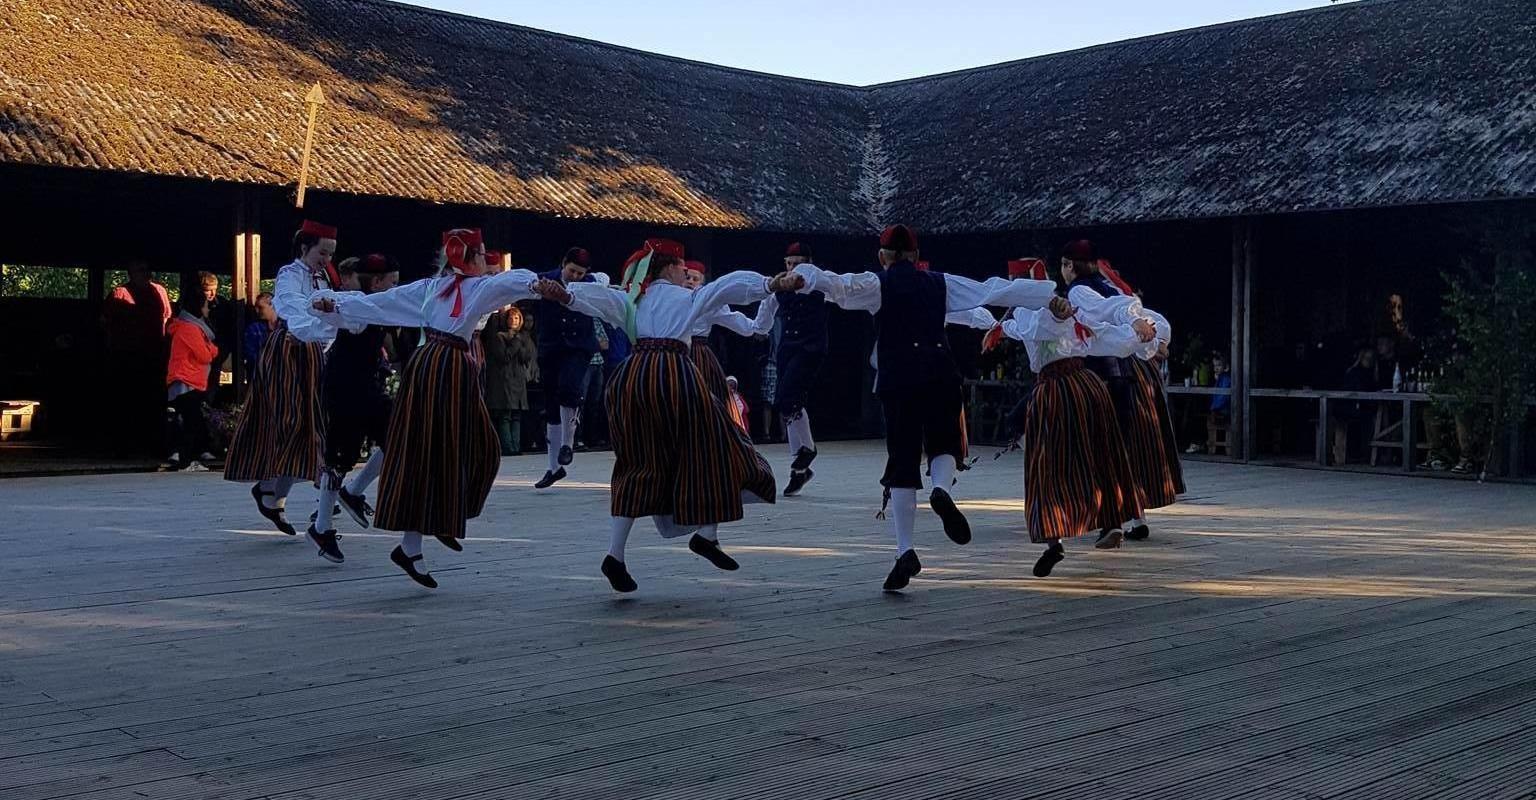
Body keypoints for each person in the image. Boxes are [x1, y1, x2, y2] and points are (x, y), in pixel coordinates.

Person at [789, 225, 1060, 591]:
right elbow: (991, 288)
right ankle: (942, 490)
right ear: (916, 256)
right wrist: (1048, 295)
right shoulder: (939, 282)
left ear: (882, 256)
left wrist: (801, 276)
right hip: (939, 372)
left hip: (898, 377)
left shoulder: (876, 283)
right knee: (944, 442)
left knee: (902, 461)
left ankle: (906, 551)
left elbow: (837, 286)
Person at [309, 228, 558, 588]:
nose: (486, 261)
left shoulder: (454, 287)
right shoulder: (443, 287)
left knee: (459, 450)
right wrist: (336, 304)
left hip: (444, 366)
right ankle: (419, 536)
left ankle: (430, 527)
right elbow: (384, 302)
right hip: (442, 367)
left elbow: (508, 283)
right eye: (482, 255)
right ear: (468, 258)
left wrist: (536, 285)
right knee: (445, 451)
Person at [552, 238, 799, 594]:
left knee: (636, 464)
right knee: (715, 449)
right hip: (673, 375)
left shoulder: (633, 299)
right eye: (683, 267)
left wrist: (568, 295)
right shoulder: (687, 297)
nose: (687, 272)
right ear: (670, 266)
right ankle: (707, 534)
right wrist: (769, 284)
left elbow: (599, 300)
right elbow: (726, 286)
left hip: (631, 378)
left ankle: (615, 554)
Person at [983, 256, 1152, 577]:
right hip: (1089, 387)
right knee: (1100, 453)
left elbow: (1026, 326)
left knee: (1048, 464)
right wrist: (1143, 335)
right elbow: (1104, 335)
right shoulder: (1073, 313)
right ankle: (1112, 522)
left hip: (1055, 390)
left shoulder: (1031, 311)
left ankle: (1054, 539)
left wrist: (999, 327)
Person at [224, 220, 341, 539]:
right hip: (289, 352)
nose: (327, 259)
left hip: (316, 354)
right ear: (305, 247)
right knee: (290, 421)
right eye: (322, 252)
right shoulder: (290, 274)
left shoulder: (326, 277)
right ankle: (276, 491)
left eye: (331, 254)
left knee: (309, 426)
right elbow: (290, 307)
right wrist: (316, 328)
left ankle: (273, 494)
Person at [1060, 242, 1177, 545]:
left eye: (1063, 265)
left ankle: (1104, 518)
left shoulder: (1078, 292)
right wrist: (1155, 340)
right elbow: (1148, 316)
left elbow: (1108, 314)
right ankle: (1134, 517)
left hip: (1097, 376)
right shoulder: (1111, 288)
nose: (1062, 272)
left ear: (1071, 266)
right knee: (1123, 448)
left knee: (1094, 447)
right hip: (1126, 375)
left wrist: (1142, 329)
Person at [306, 254, 401, 564]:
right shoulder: (356, 306)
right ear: (376, 282)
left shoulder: (373, 304)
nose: (395, 287)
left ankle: (354, 492)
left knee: (397, 436)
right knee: (339, 457)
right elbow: (330, 303)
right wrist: (325, 304)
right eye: (392, 282)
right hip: (344, 390)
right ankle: (322, 527)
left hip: (366, 387)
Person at [752, 242, 830, 496]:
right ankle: (799, 470)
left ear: (809, 263)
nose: (793, 268)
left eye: (798, 263)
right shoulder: (779, 289)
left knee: (788, 398)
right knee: (787, 403)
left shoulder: (820, 282)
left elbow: (844, 291)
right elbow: (765, 313)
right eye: (789, 263)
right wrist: (757, 330)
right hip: (787, 348)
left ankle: (807, 449)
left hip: (811, 348)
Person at [532, 246, 600, 488]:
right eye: (572, 271)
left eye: (580, 273)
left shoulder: (592, 283)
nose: (575, 277)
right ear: (563, 264)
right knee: (551, 403)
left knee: (569, 389)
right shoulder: (546, 279)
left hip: (579, 347)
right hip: (551, 347)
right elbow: (526, 286)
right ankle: (553, 468)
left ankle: (567, 445)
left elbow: (604, 284)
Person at [102, 259, 172, 454]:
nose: (144, 274)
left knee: (153, 401)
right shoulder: (119, 293)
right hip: (127, 357)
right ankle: (126, 445)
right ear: (131, 273)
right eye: (139, 270)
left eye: (146, 270)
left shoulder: (159, 291)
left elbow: (166, 319)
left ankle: (153, 443)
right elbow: (107, 324)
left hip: (154, 356)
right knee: (128, 400)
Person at [164, 289, 220, 471]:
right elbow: (205, 355)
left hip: (188, 379)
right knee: (190, 421)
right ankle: (187, 460)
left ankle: (187, 457)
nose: (208, 309)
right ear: (198, 307)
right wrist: (212, 349)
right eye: (205, 305)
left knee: (189, 420)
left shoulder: (187, 326)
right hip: (187, 380)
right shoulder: (190, 329)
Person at [482, 305, 536, 456]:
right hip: (504, 380)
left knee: (516, 415)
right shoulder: (498, 336)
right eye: (511, 318)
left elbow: (526, 357)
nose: (514, 320)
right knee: (505, 415)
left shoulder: (521, 337)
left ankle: (516, 446)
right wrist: (515, 342)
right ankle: (508, 446)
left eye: (517, 318)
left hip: (518, 380)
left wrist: (517, 340)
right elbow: (504, 356)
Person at [199, 271, 236, 395]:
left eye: (215, 289)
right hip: (198, 349)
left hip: (218, 348)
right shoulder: (192, 305)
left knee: (213, 377)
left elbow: (229, 328)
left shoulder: (223, 305)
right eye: (208, 290)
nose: (212, 294)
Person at [243, 292, 278, 377]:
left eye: (260, 307)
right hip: (259, 375)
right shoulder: (253, 329)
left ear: (272, 306)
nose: (257, 311)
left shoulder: (285, 327)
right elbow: (250, 354)